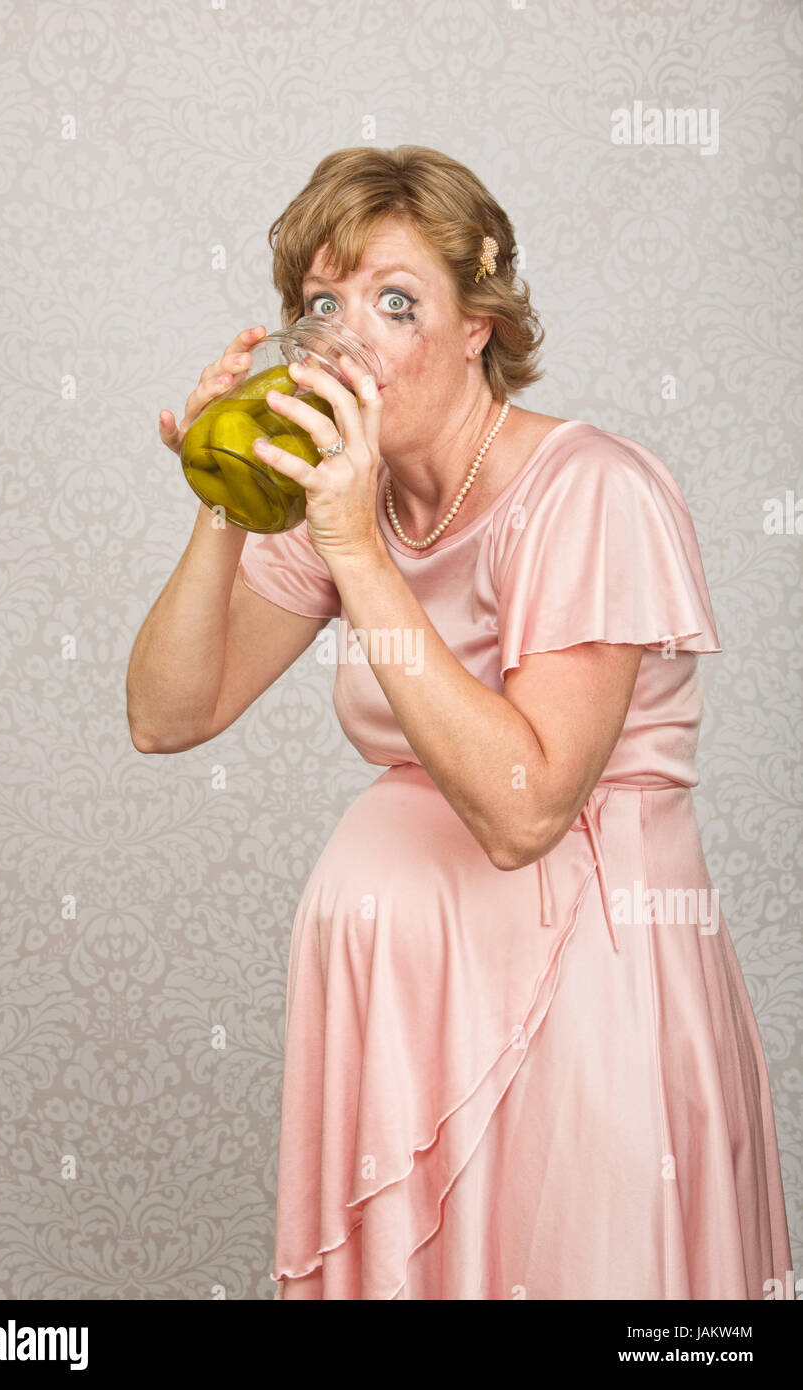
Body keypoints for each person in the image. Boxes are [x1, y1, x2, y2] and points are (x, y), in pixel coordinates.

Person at [127, 145, 793, 1300]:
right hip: (397, 1025)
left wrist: (349, 548)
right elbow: (166, 713)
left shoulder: (591, 491)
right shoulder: (351, 492)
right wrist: (223, 498)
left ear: (477, 324)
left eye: (396, 302)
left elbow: (524, 807)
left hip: (580, 998)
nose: (345, 337)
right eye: (319, 305)